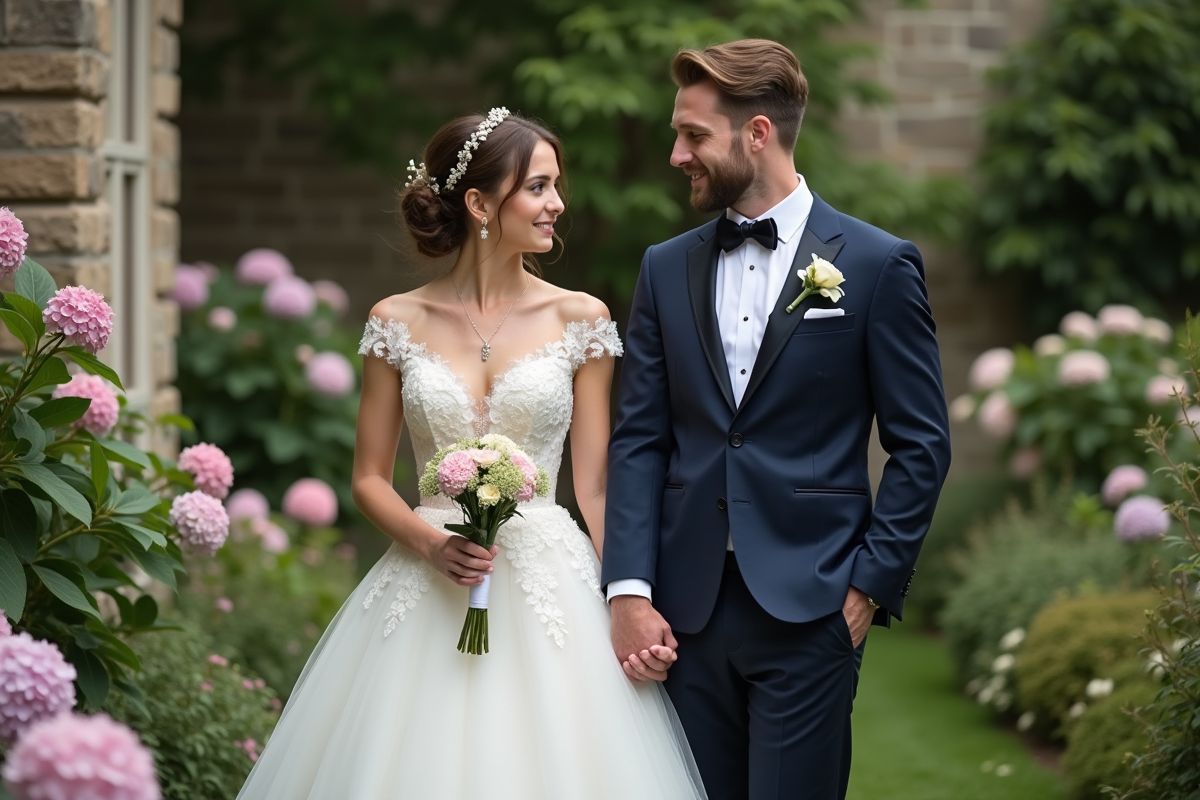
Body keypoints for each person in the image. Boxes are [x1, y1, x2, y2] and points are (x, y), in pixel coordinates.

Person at [236, 109, 706, 800]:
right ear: (481, 203)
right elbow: (368, 478)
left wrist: (628, 596)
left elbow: (597, 484)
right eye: (539, 188)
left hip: (552, 583)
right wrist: (430, 543)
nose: (558, 205)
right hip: (427, 577)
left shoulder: (583, 319)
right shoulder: (396, 321)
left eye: (556, 186)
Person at [602, 39, 952, 800]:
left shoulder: (876, 263)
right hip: (684, 615)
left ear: (756, 133)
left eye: (693, 135)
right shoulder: (665, 267)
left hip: (814, 604)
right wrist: (628, 589)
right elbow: (639, 439)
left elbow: (922, 443)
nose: (675, 154)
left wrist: (869, 585)